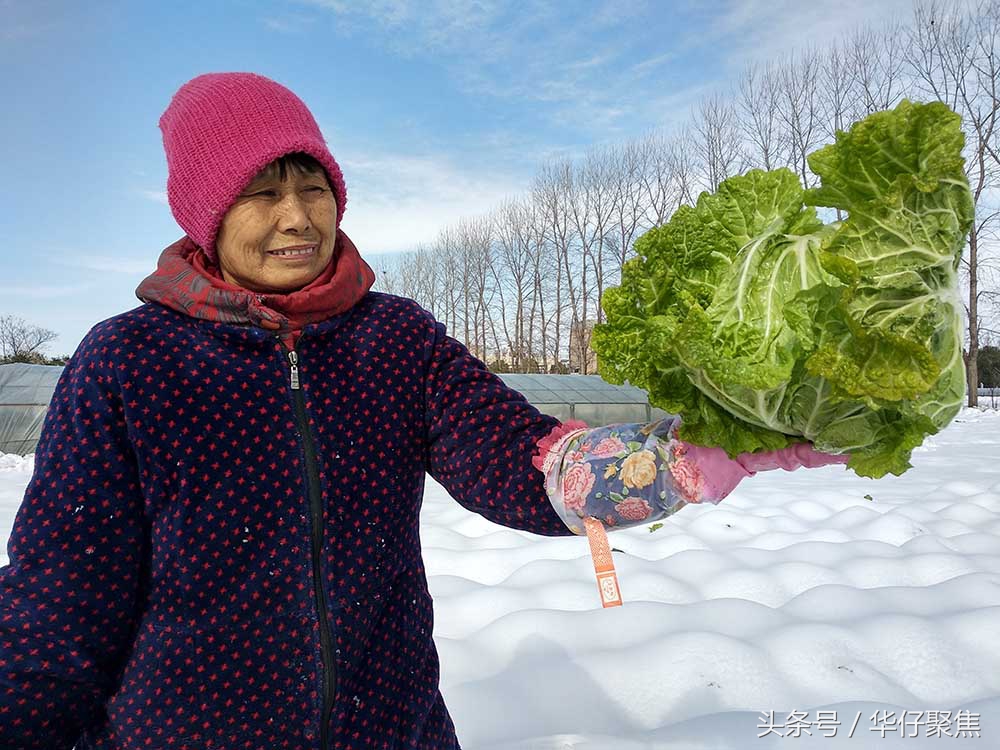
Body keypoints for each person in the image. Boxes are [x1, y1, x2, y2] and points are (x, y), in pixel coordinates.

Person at [0, 72, 847, 749]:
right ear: (205, 212)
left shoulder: (393, 336)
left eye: (313, 185)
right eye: (260, 193)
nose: (297, 216)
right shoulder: (128, 361)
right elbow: (59, 600)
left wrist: (688, 459)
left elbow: (526, 464)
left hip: (392, 728)